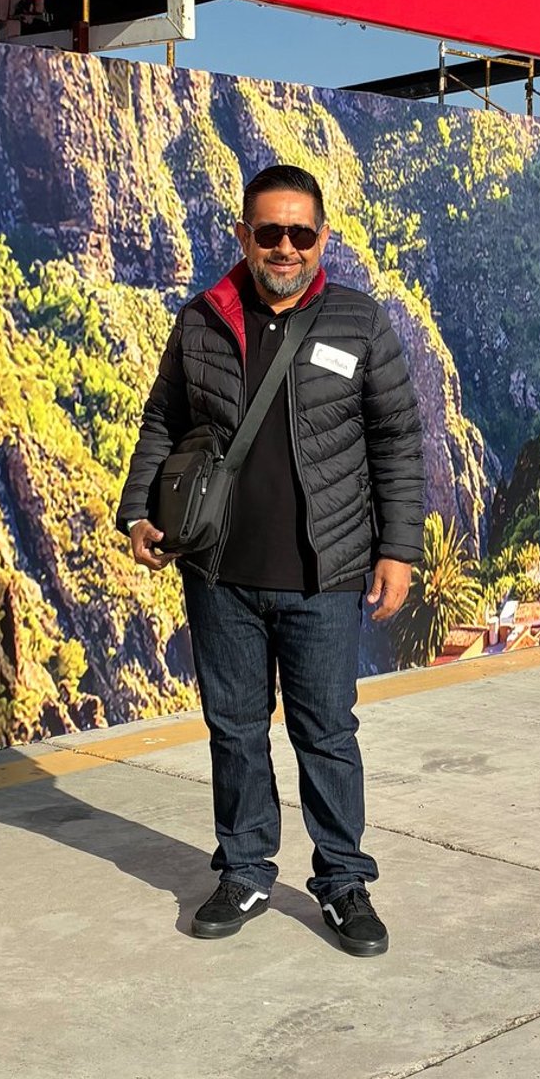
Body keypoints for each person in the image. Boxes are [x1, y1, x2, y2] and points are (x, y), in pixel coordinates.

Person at [119, 163, 423, 954]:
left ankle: (343, 882)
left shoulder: (359, 324)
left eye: (300, 233)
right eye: (269, 232)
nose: (284, 247)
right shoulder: (203, 321)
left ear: (323, 238)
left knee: (326, 731)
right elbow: (163, 422)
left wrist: (398, 548)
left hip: (324, 576)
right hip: (221, 574)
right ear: (243, 235)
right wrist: (140, 511)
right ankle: (247, 869)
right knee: (235, 729)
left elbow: (396, 440)